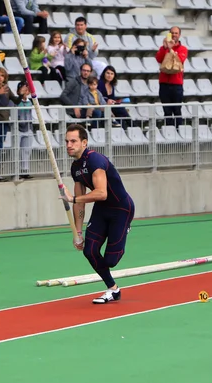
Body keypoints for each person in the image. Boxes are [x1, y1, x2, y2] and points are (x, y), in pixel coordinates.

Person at [60, 124, 135, 304]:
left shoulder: (95, 160)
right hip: (102, 210)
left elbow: (102, 193)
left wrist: (73, 199)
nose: (69, 145)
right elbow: (80, 201)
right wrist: (78, 232)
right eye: (66, 141)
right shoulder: (75, 167)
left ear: (84, 142)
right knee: (89, 250)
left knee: (110, 260)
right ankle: (113, 289)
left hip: (121, 209)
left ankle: (125, 229)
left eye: (73, 141)